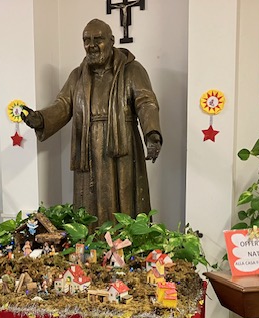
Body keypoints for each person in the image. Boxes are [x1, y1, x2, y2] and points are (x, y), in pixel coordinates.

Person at [21, 18, 162, 226]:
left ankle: (125, 243)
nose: (92, 45)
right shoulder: (77, 76)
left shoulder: (132, 70)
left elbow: (146, 101)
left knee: (125, 201)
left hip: (122, 147)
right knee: (90, 204)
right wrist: (40, 119)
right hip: (87, 149)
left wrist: (152, 133)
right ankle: (91, 242)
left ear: (112, 40)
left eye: (98, 39)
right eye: (86, 40)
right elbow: (63, 105)